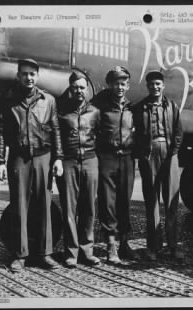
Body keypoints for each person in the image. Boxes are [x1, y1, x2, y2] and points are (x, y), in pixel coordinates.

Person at [0, 58, 64, 272]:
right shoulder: (8, 100)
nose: (28, 77)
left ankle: (45, 254)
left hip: (44, 157)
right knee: (19, 206)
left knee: (44, 205)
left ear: (37, 76)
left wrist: (58, 157)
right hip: (19, 157)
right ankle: (20, 255)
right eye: (24, 73)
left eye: (32, 74)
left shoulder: (48, 100)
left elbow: (56, 130)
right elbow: (1, 132)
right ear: (18, 76)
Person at [133, 71, 184, 261]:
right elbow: (136, 134)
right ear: (147, 86)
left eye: (158, 84)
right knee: (151, 201)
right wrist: (142, 154)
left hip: (169, 153)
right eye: (151, 84)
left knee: (171, 201)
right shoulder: (140, 108)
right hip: (150, 153)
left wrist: (173, 151)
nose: (155, 87)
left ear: (163, 86)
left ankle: (173, 246)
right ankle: (153, 247)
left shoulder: (172, 106)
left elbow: (179, 131)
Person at [93, 66, 138, 264]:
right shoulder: (99, 106)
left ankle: (124, 243)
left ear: (127, 85)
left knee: (124, 202)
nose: (119, 87)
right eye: (116, 83)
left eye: (123, 83)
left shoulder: (132, 108)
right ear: (109, 85)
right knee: (107, 202)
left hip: (127, 158)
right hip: (107, 158)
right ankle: (111, 245)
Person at [56, 71, 101, 268]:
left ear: (87, 89)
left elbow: (101, 137)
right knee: (69, 209)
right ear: (70, 88)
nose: (79, 91)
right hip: (69, 162)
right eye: (75, 87)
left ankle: (87, 251)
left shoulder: (95, 112)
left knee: (89, 208)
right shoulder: (61, 112)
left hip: (90, 161)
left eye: (82, 87)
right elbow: (55, 138)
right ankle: (71, 253)